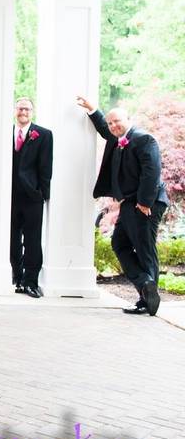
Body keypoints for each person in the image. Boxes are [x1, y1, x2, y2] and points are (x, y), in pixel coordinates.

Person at [77, 95, 167, 316]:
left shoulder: (144, 139)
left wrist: (145, 202)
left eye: (118, 121)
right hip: (130, 203)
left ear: (129, 119)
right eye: (111, 122)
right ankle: (146, 285)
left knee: (145, 250)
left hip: (146, 204)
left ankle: (147, 300)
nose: (114, 126)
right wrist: (93, 110)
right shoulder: (119, 138)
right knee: (120, 243)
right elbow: (105, 130)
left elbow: (152, 172)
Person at [9, 98, 52, 298]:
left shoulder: (43, 134)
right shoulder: (5, 132)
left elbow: (46, 167)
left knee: (33, 240)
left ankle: (31, 282)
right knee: (12, 239)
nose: (23, 111)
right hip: (9, 196)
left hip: (32, 196)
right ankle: (16, 278)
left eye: (27, 108)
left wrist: (43, 194)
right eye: (20, 108)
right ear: (15, 110)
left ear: (32, 112)